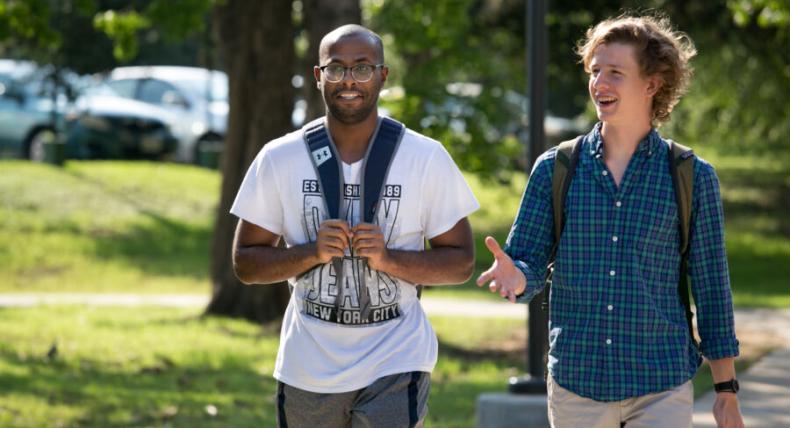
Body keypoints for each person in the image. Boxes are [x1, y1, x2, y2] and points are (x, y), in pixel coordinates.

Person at [477, 14, 743, 428]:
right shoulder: (555, 169)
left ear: (652, 84)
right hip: (576, 385)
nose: (600, 83)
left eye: (615, 73)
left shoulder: (691, 176)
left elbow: (712, 287)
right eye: (595, 71)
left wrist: (726, 390)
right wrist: (517, 277)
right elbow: (527, 262)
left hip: (661, 384)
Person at [230, 24, 479, 428]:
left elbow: (461, 262)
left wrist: (388, 259)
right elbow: (245, 263)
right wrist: (310, 252)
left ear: (383, 75)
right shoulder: (280, 157)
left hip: (397, 359)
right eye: (336, 68)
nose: (349, 80)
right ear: (318, 76)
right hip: (308, 367)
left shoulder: (425, 157)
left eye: (362, 68)